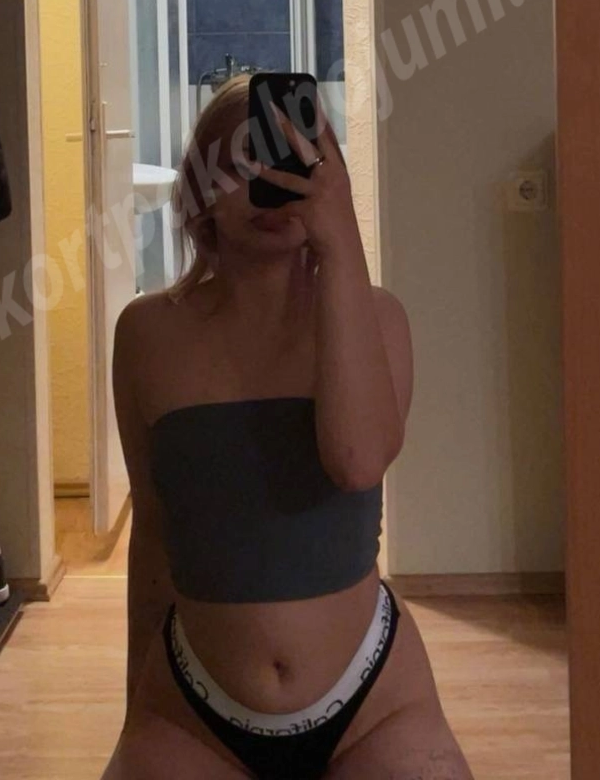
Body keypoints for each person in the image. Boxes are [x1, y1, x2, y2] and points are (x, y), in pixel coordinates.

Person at [102, 74, 475, 779]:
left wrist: (340, 238)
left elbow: (357, 461)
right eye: (239, 165)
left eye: (291, 162)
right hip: (190, 707)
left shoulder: (380, 319)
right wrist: (136, 705)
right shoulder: (147, 333)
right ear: (201, 191)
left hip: (374, 703)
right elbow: (151, 528)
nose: (266, 185)